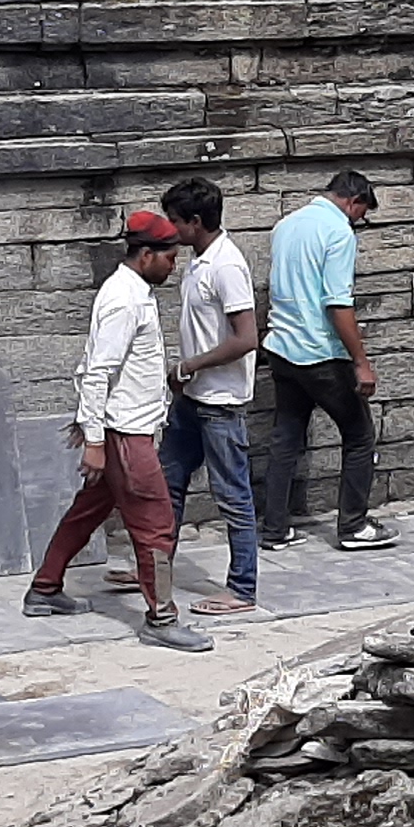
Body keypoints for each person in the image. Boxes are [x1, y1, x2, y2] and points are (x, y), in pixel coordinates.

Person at [21, 210, 211, 651]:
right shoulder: (124, 300)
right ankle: (161, 618)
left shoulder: (132, 291)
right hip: (125, 434)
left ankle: (46, 588)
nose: (174, 265)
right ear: (146, 255)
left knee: (88, 511)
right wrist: (93, 441)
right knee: (156, 524)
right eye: (169, 257)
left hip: (122, 427)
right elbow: (96, 372)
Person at [264, 168, 392, 551]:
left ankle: (275, 528)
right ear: (353, 201)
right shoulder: (338, 232)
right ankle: (353, 526)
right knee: (359, 436)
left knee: (286, 438)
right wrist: (361, 362)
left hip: (283, 348)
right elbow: (338, 303)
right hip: (320, 353)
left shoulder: (286, 226)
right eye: (361, 213)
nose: (359, 221)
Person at [152, 174, 261, 614]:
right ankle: (157, 567)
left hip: (221, 402)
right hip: (193, 397)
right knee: (167, 482)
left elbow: (247, 337)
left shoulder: (226, 266)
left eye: (174, 221)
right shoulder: (198, 261)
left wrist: (190, 365)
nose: (169, 230)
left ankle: (243, 587)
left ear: (195, 222)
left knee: (232, 495)